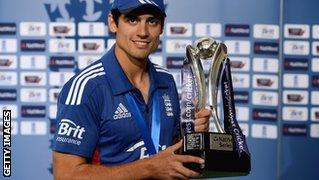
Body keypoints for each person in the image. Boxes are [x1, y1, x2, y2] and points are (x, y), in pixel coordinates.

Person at [52, 0, 211, 179]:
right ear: (113, 22)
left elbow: (169, 152)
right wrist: (149, 168)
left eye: (152, 21)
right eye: (132, 20)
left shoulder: (166, 81)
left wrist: (191, 135)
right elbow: (65, 175)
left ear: (162, 27)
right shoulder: (87, 88)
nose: (142, 32)